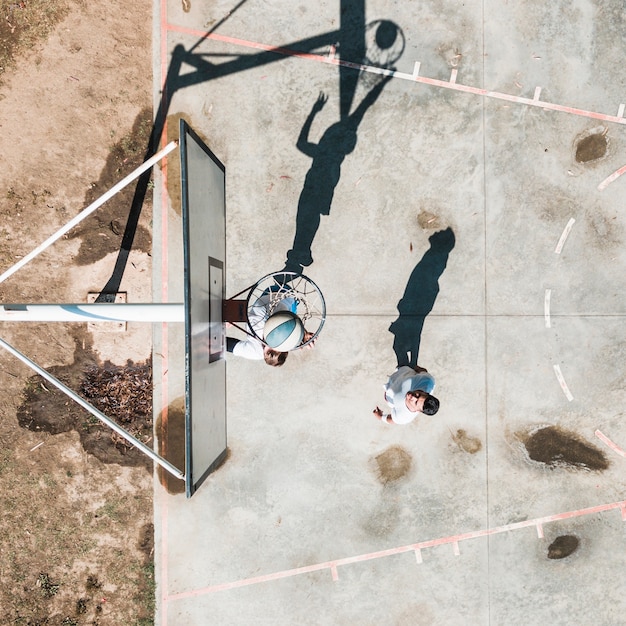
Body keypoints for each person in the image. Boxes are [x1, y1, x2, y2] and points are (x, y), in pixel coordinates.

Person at [226, 287, 314, 367]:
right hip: (282, 295)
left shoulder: (255, 352)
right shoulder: (277, 315)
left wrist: (233, 315)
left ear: (264, 352)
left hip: (267, 297)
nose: (274, 341)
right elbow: (290, 322)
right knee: (288, 311)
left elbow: (228, 345)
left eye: (269, 347)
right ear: (285, 347)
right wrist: (303, 335)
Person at [373, 365, 440, 424]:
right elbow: (423, 371)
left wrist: (380, 417)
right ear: (425, 392)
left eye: (416, 402)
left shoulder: (404, 416)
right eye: (418, 395)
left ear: (418, 411)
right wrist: (414, 366)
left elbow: (392, 419)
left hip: (389, 395)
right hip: (402, 370)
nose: (412, 397)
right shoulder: (428, 380)